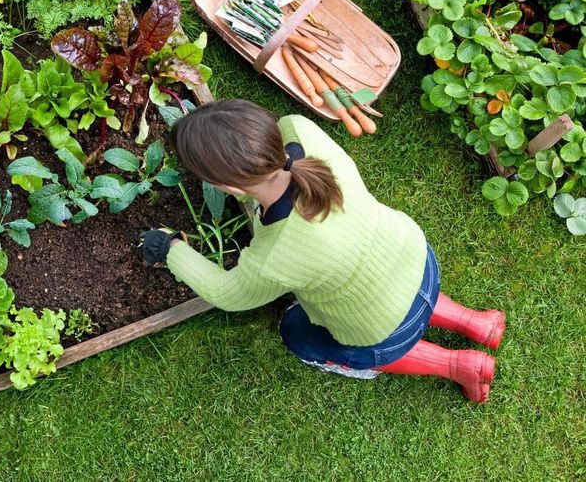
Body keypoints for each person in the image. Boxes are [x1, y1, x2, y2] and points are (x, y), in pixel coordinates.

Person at [139, 99, 506, 402]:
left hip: (382, 329)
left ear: (230, 188)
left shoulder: (275, 255)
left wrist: (170, 248)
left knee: (296, 333)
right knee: (392, 288)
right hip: (416, 259)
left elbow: (227, 293)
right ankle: (476, 322)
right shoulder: (300, 130)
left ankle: (458, 365)